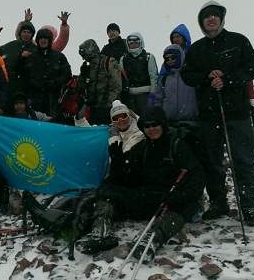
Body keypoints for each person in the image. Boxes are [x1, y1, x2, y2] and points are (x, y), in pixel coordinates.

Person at [76, 106, 205, 262]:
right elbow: (127, 175)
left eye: (155, 124)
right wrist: (117, 162)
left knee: (188, 204)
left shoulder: (178, 147)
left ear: (163, 124)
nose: (151, 129)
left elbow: (197, 177)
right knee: (108, 190)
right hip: (147, 196)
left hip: (171, 199)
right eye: (147, 126)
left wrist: (181, 195)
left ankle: (151, 239)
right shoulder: (142, 148)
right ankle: (102, 234)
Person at [180, 0, 254, 225]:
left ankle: (249, 207)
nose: (211, 19)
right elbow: (187, 75)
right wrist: (208, 75)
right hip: (208, 115)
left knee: (243, 161)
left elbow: (253, 68)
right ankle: (219, 203)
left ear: (221, 18)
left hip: (237, 113)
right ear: (201, 22)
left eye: (215, 15)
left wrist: (226, 79)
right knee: (212, 162)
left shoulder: (239, 41)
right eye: (206, 16)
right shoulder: (197, 49)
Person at [16, 28, 72, 122]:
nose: (43, 40)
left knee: (53, 123)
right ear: (37, 40)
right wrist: (33, 82)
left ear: (50, 40)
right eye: (41, 38)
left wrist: (55, 82)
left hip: (53, 97)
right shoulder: (31, 57)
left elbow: (67, 74)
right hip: (35, 98)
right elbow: (20, 73)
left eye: (45, 38)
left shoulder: (59, 57)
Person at [0, 19, 36, 107]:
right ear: (20, 33)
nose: (26, 34)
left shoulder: (35, 50)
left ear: (32, 35)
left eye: (29, 32)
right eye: (24, 32)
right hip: (7, 88)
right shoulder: (10, 46)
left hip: (26, 91)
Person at [76, 39, 122, 125]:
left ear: (90, 51)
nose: (83, 58)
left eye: (84, 55)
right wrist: (82, 75)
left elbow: (116, 84)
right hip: (94, 107)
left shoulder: (108, 62)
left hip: (107, 107)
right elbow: (82, 87)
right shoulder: (88, 67)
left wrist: (109, 103)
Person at [119, 32, 158, 117]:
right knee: (133, 121)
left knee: (146, 119)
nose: (134, 45)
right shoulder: (124, 59)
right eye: (131, 43)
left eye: (136, 43)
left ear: (140, 43)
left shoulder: (148, 57)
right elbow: (122, 78)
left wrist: (152, 94)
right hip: (130, 96)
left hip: (145, 95)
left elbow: (153, 77)